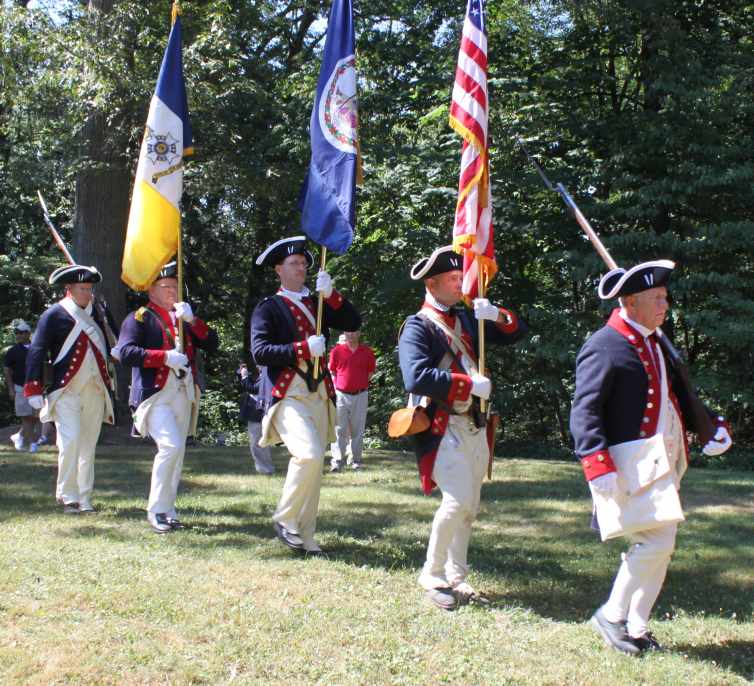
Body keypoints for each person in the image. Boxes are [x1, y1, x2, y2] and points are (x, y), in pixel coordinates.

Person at [570, 259, 733, 655]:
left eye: (664, 297)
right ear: (630, 302)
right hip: (628, 461)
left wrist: (711, 425)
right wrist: (596, 462)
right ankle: (612, 615)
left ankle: (637, 625)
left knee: (663, 542)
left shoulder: (655, 340)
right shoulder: (604, 345)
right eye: (656, 298)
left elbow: (678, 395)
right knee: (656, 543)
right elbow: (585, 409)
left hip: (661, 459)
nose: (665, 305)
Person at [398, 246, 527, 610]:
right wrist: (467, 385)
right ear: (432, 282)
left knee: (469, 506)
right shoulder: (418, 325)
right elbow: (416, 376)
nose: (461, 285)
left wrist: (496, 314)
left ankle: (457, 575)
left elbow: (516, 331)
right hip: (440, 424)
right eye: (454, 279)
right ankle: (432, 573)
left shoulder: (469, 319)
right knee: (455, 502)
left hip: (474, 422)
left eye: (461, 278)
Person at [251, 236, 361, 554]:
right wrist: (300, 348)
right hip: (287, 393)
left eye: (303, 264)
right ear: (278, 269)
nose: (300, 268)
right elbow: (260, 352)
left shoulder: (318, 303)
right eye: (293, 264)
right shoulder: (268, 307)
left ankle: (306, 536)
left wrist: (332, 295)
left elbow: (353, 322)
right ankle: (285, 518)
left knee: (315, 469)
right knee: (308, 454)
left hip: (318, 393)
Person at [117, 261, 218, 533]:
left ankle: (169, 508)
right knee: (170, 446)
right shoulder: (140, 317)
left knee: (178, 452)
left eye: (175, 286)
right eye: (166, 286)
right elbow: (126, 352)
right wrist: (164, 358)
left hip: (182, 392)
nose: (172, 290)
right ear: (151, 289)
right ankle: (157, 509)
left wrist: (193, 321)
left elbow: (212, 343)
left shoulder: (184, 318)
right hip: (154, 395)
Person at [23, 265, 115, 513]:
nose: (87, 293)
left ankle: (84, 498)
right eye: (82, 288)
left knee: (88, 445)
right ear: (69, 289)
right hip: (66, 389)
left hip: (95, 388)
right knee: (70, 440)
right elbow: (37, 350)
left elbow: (113, 341)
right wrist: (33, 387)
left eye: (89, 288)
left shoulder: (99, 311)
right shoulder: (54, 314)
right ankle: (68, 495)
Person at [328, 329, 376, 472]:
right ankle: (337, 460)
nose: (351, 335)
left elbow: (370, 372)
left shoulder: (366, 352)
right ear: (345, 333)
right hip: (341, 395)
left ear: (359, 333)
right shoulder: (336, 351)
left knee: (357, 430)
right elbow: (332, 371)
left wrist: (358, 385)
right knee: (339, 429)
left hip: (360, 395)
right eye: (348, 332)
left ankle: (356, 460)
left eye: (354, 332)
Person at [4, 320, 42, 452]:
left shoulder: (36, 348)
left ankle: (19, 436)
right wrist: (10, 388)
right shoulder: (13, 351)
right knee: (26, 416)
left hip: (37, 386)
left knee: (36, 416)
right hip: (20, 387)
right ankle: (32, 444)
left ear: (28, 334)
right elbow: (7, 370)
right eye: (17, 333)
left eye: (21, 333)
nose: (19, 335)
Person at [238, 362, 275, 474]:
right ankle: (264, 468)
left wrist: (244, 377)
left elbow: (254, 389)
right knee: (257, 442)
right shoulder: (264, 373)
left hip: (259, 413)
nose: (257, 366)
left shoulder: (268, 374)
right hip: (257, 412)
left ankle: (265, 469)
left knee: (257, 442)